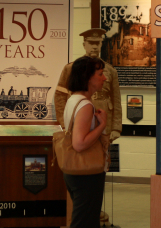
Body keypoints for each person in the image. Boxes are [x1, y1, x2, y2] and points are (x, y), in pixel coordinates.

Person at [62, 55, 109, 228]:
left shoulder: (73, 100)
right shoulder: (85, 105)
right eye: (100, 74)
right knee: (85, 222)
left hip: (76, 172)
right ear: (87, 77)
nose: (104, 78)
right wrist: (103, 124)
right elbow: (79, 143)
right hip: (87, 173)